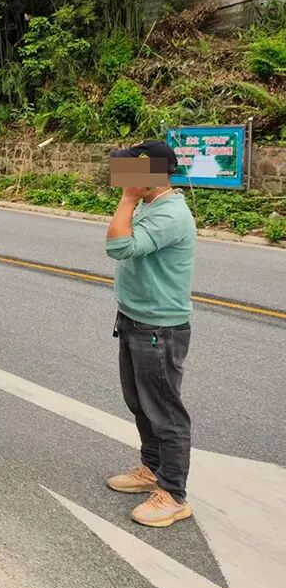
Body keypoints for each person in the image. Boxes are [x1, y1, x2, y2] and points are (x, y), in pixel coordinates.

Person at [105, 140, 197, 528]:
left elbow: (118, 246)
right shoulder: (150, 205)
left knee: (166, 411)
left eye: (131, 172)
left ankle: (174, 494)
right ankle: (152, 469)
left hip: (160, 327)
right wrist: (132, 199)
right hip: (134, 319)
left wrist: (126, 199)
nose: (123, 177)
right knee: (140, 403)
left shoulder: (171, 214)